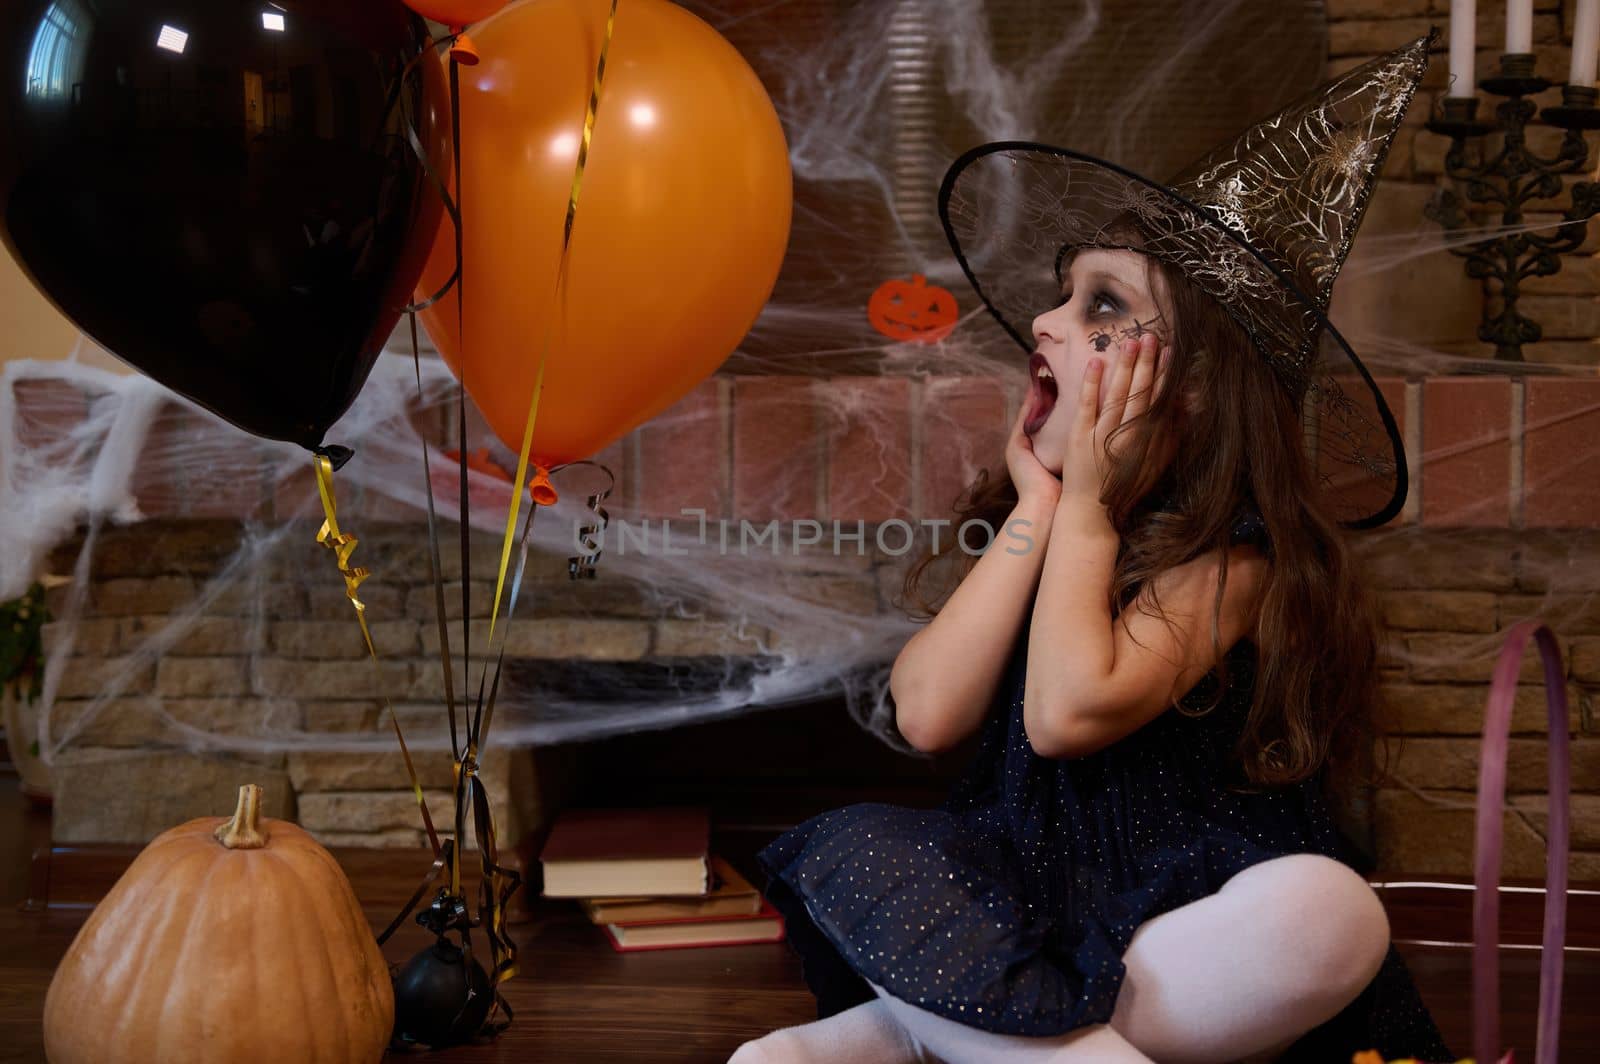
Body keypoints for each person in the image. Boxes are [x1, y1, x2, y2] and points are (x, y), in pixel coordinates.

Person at [731, 29, 1458, 1064]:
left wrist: (1090, 506)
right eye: (1063, 290)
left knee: (1329, 907)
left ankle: (956, 1038)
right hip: (1020, 897)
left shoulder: (1236, 562)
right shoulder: (1042, 520)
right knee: (856, 848)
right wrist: (1041, 496)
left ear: (1192, 389)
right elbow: (927, 710)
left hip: (1182, 921)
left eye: (1102, 305)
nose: (1043, 318)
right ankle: (1045, 1046)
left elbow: (1070, 711)